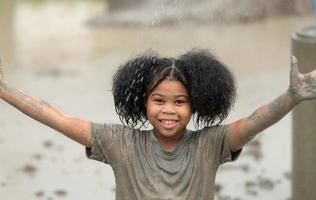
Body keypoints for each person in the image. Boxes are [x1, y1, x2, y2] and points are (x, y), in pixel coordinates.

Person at [0, 50, 316, 200]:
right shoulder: (119, 142)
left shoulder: (210, 144)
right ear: (143, 102)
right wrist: (6, 91)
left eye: (180, 102)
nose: (168, 111)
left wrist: (291, 97)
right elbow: (57, 117)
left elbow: (253, 122)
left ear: (196, 104)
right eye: (159, 100)